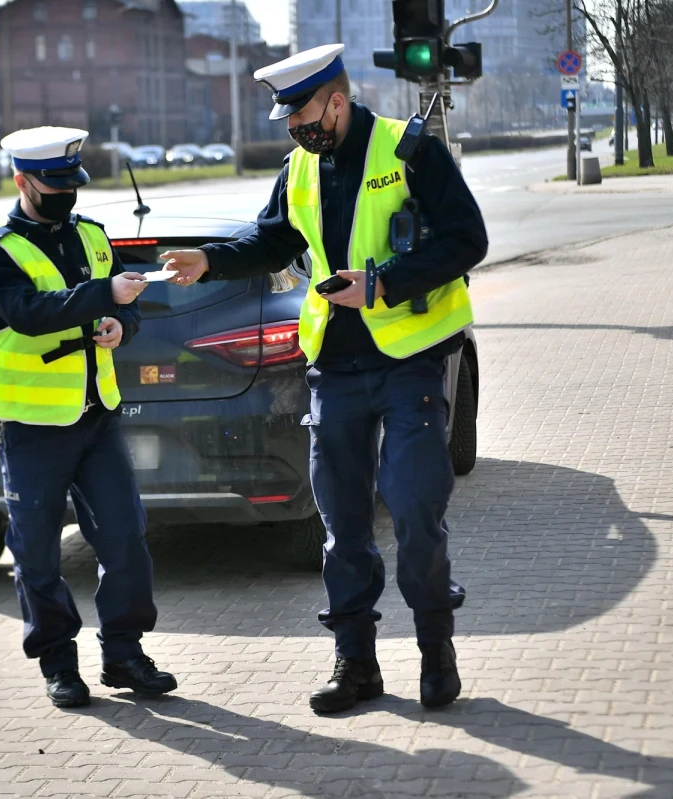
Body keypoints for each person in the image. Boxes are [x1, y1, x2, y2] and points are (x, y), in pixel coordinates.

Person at [161, 45, 488, 713]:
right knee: (342, 524)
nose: (294, 129)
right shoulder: (299, 168)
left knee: (415, 510)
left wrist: (383, 284)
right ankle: (356, 663)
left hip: (409, 363)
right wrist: (208, 262)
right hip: (334, 370)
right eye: (288, 120)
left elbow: (467, 240)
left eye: (302, 115)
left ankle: (435, 649)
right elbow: (271, 241)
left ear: (336, 102)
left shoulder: (410, 150)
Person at [0, 126, 178, 708]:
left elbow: (128, 305)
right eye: (54, 186)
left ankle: (124, 655)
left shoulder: (92, 235)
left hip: (96, 416)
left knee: (125, 539)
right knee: (36, 553)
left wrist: (120, 326)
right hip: (31, 426)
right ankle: (58, 663)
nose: (66, 194)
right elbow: (29, 314)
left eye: (72, 184)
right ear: (22, 181)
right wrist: (105, 296)